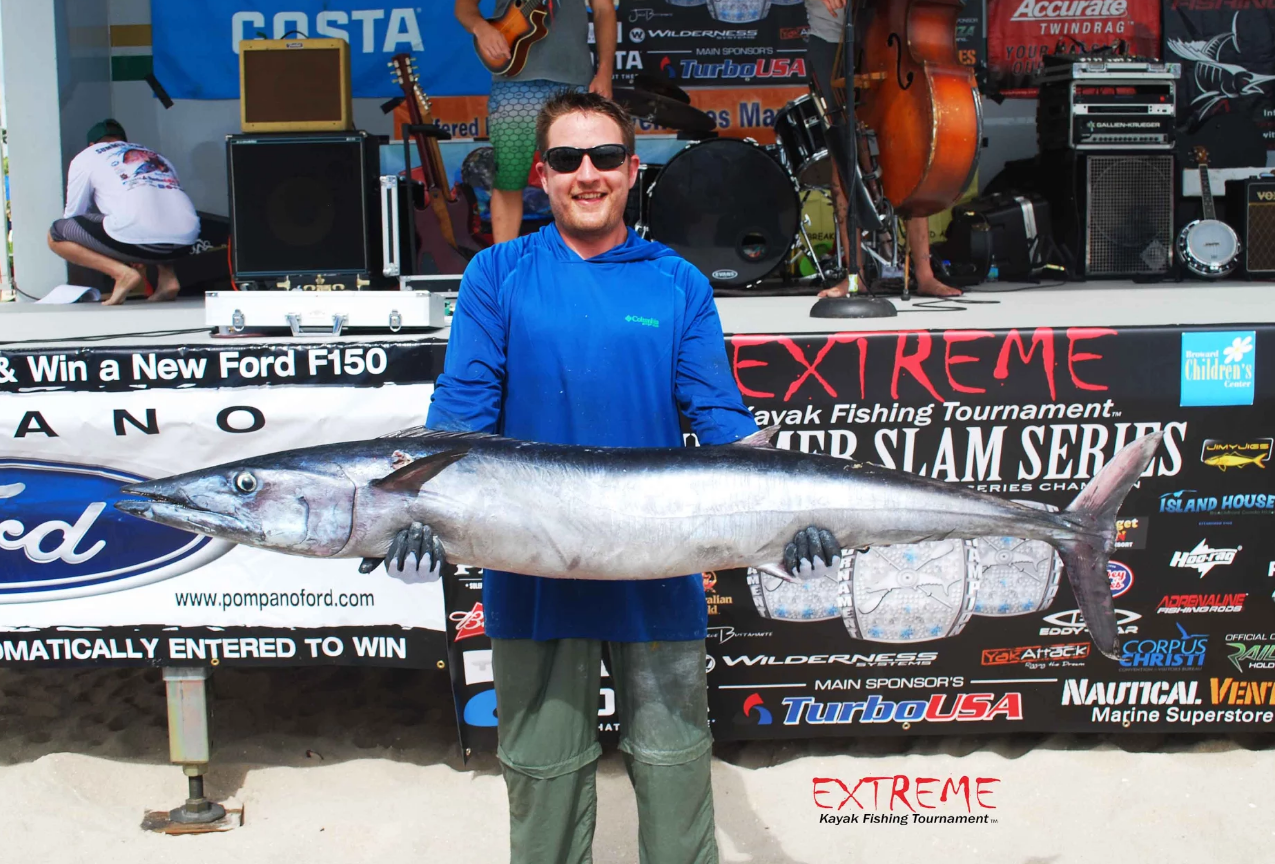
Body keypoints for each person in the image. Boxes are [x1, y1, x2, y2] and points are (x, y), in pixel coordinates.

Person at [373, 91, 841, 864]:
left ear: (631, 171)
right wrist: (410, 515)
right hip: (529, 574)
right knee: (541, 768)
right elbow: (456, 421)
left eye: (601, 159)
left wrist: (787, 511)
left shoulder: (676, 281)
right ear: (542, 177)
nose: (584, 175)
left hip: (656, 567)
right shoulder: (496, 274)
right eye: (564, 159)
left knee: (672, 762)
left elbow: (718, 416)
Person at [802, 0, 963, 298]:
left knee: (910, 149)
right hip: (832, 43)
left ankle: (925, 274)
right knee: (844, 155)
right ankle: (854, 276)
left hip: (890, 41)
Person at [456, 0, 615, 244]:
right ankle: (504, 265)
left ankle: (582, 258)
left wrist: (604, 70)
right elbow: (463, 6)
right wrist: (481, 27)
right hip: (514, 84)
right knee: (509, 177)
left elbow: (604, 9)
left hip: (574, 78)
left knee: (578, 176)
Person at [47, 119, 200, 305]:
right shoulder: (154, 154)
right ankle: (168, 279)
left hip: (140, 239)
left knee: (57, 234)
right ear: (124, 141)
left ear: (91, 144)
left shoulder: (87, 156)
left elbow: (74, 215)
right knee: (154, 212)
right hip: (186, 241)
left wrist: (119, 251)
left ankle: (122, 274)